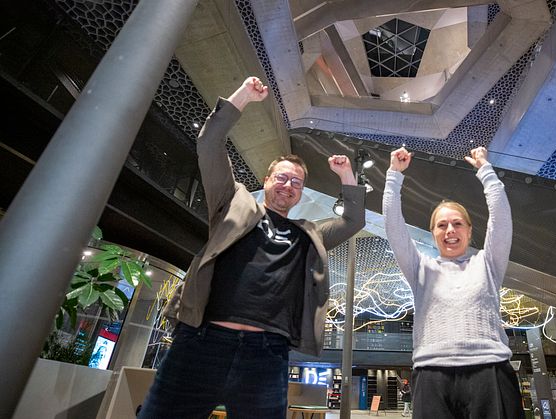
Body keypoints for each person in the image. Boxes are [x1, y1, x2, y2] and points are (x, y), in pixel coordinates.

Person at [138, 76, 366, 418]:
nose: (289, 185)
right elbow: (210, 142)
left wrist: (347, 174)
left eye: (297, 182)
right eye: (282, 177)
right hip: (201, 343)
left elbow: (353, 221)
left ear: (301, 193)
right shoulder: (231, 203)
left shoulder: (309, 233)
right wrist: (243, 95)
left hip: (266, 354)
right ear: (267, 180)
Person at [383, 146, 521, 419]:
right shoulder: (420, 267)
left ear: (469, 230)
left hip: (489, 369)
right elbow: (393, 227)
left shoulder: (488, 262)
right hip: (431, 374)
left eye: (457, 224)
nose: (450, 231)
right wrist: (393, 176)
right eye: (441, 225)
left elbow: (502, 220)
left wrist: (486, 171)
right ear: (432, 233)